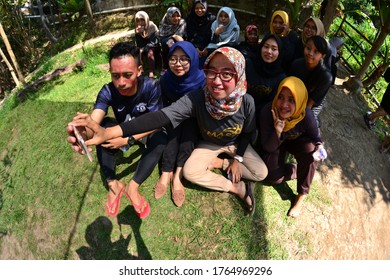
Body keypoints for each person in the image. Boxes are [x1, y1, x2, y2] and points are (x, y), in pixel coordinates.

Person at [69, 47, 268, 216]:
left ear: (239, 74)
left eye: (226, 74)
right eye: (212, 72)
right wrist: (108, 133)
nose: (216, 81)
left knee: (261, 172)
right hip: (209, 143)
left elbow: (248, 132)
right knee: (190, 172)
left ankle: (223, 162)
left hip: (235, 143)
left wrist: (237, 158)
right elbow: (160, 117)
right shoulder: (197, 98)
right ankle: (235, 187)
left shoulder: (247, 102)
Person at [66, 42, 167, 219]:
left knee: (160, 138)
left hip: (145, 130)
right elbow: (96, 119)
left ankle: (133, 187)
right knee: (103, 126)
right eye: (115, 76)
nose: (121, 82)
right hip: (121, 129)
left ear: (139, 70)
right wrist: (84, 132)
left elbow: (157, 122)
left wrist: (128, 140)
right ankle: (114, 184)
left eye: (127, 75)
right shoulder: (107, 91)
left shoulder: (152, 86)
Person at [258, 76, 326, 217]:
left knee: (311, 150)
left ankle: (301, 197)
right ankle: (295, 169)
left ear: (300, 101)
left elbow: (316, 136)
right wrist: (277, 131)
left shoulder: (305, 114)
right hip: (277, 142)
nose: (284, 104)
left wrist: (319, 147)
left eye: (291, 100)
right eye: (281, 97)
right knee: (273, 177)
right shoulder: (268, 112)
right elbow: (268, 147)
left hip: (296, 142)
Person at [156, 41, 205, 207]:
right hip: (173, 115)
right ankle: (166, 171)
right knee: (172, 136)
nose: (178, 64)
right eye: (173, 59)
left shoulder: (201, 80)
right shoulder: (166, 80)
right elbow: (163, 104)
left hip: (193, 117)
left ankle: (177, 175)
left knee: (188, 138)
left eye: (184, 59)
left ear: (192, 60)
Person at [289, 35, 332, 127]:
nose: (310, 53)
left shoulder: (326, 77)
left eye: (316, 51)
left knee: (308, 123)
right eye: (308, 48)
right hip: (295, 96)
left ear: (323, 56)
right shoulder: (296, 64)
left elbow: (310, 104)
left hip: (312, 102)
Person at [246, 33, 286, 120]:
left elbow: (271, 103)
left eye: (274, 49)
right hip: (241, 110)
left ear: (279, 52)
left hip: (262, 116)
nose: (268, 51)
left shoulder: (281, 77)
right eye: (266, 46)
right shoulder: (248, 64)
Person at [185, 0, 216, 68]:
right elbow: (189, 35)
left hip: (207, 47)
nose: (199, 10)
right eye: (197, 8)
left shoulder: (212, 19)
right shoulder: (189, 19)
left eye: (202, 8)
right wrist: (195, 48)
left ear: (206, 8)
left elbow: (214, 36)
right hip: (193, 45)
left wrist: (207, 48)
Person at [157, 7, 187, 73]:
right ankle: (165, 66)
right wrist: (170, 39)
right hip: (166, 40)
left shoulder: (182, 23)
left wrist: (173, 37)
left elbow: (180, 37)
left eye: (178, 16)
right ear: (169, 16)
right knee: (167, 44)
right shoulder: (164, 23)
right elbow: (161, 36)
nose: (176, 18)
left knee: (175, 44)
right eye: (173, 16)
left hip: (179, 39)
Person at [134, 11, 160, 78]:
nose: (140, 23)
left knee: (150, 52)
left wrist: (143, 49)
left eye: (142, 20)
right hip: (144, 47)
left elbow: (153, 42)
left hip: (154, 46)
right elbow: (139, 44)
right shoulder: (137, 29)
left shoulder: (152, 27)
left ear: (146, 19)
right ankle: (139, 70)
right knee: (136, 51)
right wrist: (139, 34)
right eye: (138, 21)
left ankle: (151, 72)